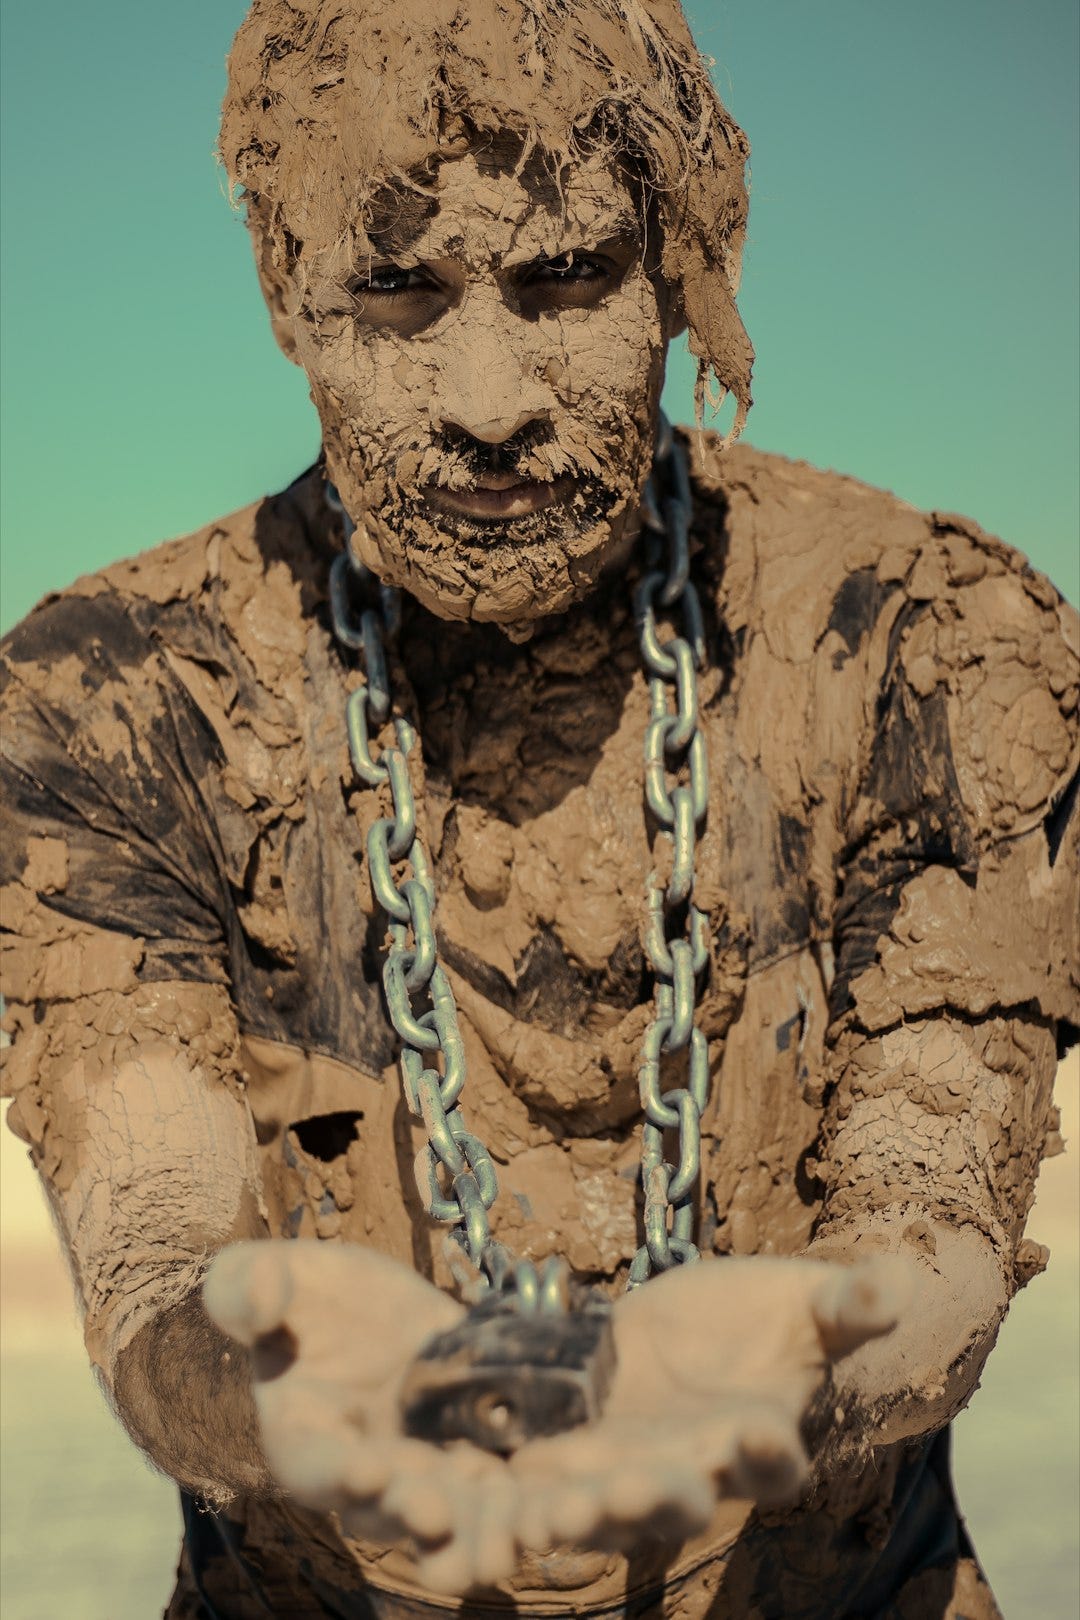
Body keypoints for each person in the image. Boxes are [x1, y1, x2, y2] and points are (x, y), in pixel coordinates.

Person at [1, 1, 1076, 1616]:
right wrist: (253, 1389)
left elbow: (937, 1223)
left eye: (568, 275)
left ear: (683, 276)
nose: (490, 398)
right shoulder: (114, 696)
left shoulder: (932, 643)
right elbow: (153, 1243)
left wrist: (820, 1364)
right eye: (396, 289)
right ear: (286, 299)